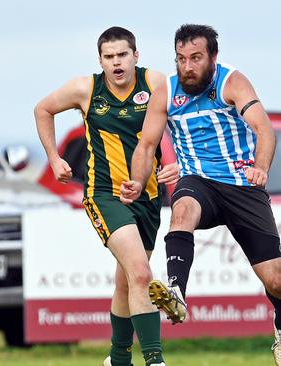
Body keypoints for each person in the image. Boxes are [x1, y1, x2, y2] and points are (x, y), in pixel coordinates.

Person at [121, 23, 281, 365]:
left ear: (213, 57)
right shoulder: (167, 89)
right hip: (198, 181)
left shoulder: (231, 81)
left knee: (276, 279)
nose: (187, 67)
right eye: (181, 59)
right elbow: (147, 144)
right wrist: (137, 180)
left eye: (195, 58)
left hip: (242, 186)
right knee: (183, 209)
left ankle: (280, 325)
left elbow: (264, 129)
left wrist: (262, 167)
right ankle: (176, 291)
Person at [35, 26, 179, 366]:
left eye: (122, 55)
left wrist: (181, 166)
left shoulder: (155, 83)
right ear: (100, 60)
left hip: (148, 196)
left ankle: (117, 358)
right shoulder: (86, 89)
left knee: (128, 280)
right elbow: (43, 109)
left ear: (135, 56)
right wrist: (54, 157)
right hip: (105, 195)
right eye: (109, 57)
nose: (116, 63)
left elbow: (182, 123)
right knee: (142, 274)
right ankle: (155, 359)